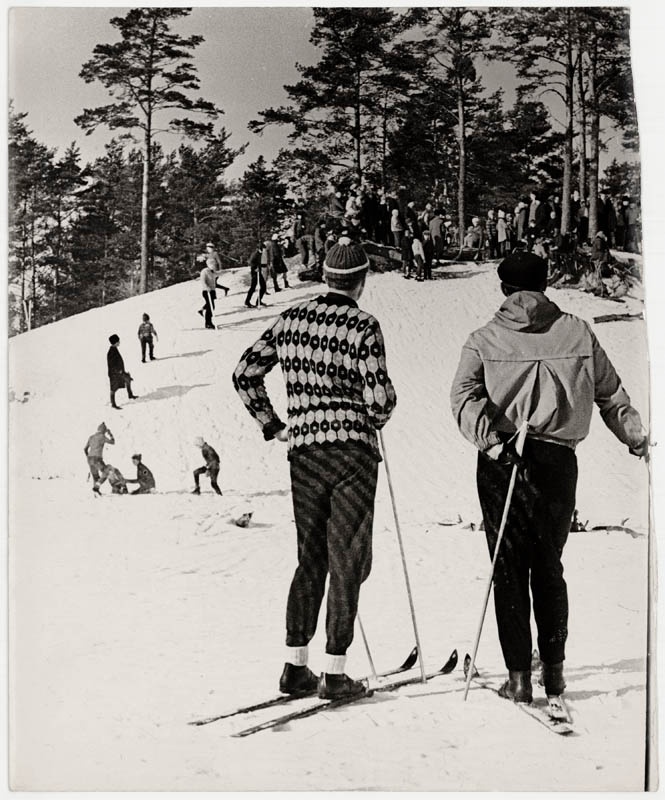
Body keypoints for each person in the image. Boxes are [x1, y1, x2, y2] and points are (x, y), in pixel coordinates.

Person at [450, 250, 648, 705]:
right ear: (545, 285)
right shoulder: (578, 331)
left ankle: (519, 678)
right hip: (559, 463)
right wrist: (635, 439)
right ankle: (554, 673)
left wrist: (492, 441)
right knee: (549, 565)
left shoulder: (485, 338)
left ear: (503, 288)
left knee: (509, 569)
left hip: (504, 460)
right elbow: (611, 394)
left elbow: (463, 398)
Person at [232, 236, 397, 700]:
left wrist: (274, 424)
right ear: (362, 281)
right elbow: (379, 400)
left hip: (303, 452)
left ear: (325, 276)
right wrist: (378, 415)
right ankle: (336, 673)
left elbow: (245, 373)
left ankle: (295, 667)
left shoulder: (290, 320)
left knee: (311, 557)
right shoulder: (364, 325)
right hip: (352, 454)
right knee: (348, 557)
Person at [107, 334, 137, 409]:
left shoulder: (114, 349)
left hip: (119, 372)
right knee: (113, 388)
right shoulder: (111, 352)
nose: (119, 342)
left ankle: (130, 395)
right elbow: (112, 364)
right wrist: (119, 371)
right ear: (115, 342)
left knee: (128, 379)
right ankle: (113, 404)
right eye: (118, 341)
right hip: (114, 373)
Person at [84, 422, 115, 495]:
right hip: (97, 459)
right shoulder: (102, 436)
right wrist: (110, 434)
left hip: (89, 459)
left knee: (95, 476)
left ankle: (96, 492)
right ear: (104, 431)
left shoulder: (91, 437)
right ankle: (96, 487)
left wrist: (88, 457)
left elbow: (85, 449)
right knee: (107, 470)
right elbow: (112, 442)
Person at [245, 242, 267, 308]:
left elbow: (259, 263)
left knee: (263, 287)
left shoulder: (260, 254)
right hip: (255, 272)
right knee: (253, 287)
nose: (264, 250)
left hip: (258, 272)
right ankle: (247, 301)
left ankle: (259, 301)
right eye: (263, 248)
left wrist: (264, 265)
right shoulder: (255, 254)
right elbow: (251, 262)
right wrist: (255, 268)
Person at [199, 262, 218, 329]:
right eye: (212, 264)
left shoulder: (212, 272)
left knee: (212, 307)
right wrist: (207, 287)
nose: (214, 265)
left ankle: (208, 322)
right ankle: (208, 323)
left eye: (214, 264)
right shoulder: (205, 271)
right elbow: (203, 281)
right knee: (210, 307)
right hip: (206, 291)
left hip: (212, 291)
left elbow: (215, 280)